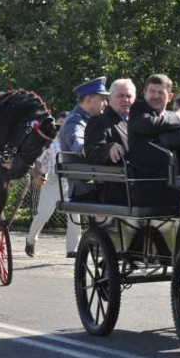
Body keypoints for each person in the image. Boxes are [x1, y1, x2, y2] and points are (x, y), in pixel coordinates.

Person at [57, 77, 109, 256]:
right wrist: (94, 150)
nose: (105, 103)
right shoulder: (75, 121)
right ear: (88, 99)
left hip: (97, 181)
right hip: (86, 186)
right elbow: (78, 144)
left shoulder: (93, 120)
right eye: (102, 98)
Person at [127, 74, 180, 206]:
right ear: (144, 92)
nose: (156, 96)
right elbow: (149, 125)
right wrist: (179, 116)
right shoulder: (138, 109)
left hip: (176, 184)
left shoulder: (170, 118)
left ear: (170, 97)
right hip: (148, 186)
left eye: (161, 93)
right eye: (152, 91)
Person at [84, 79, 136, 203]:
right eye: (120, 96)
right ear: (110, 98)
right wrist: (109, 148)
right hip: (118, 189)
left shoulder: (138, 122)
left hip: (140, 184)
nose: (125, 99)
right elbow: (92, 154)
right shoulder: (100, 121)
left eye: (129, 96)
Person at [25, 111, 67, 258]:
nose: (62, 127)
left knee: (76, 214)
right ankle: (30, 241)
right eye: (59, 124)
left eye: (65, 124)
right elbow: (35, 163)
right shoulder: (49, 143)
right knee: (43, 215)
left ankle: (72, 249)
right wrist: (36, 176)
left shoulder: (73, 140)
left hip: (71, 179)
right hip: (53, 180)